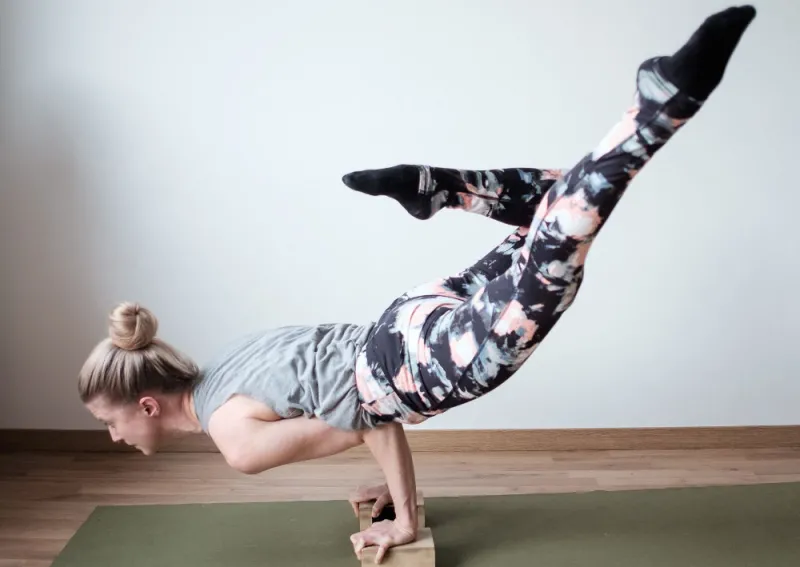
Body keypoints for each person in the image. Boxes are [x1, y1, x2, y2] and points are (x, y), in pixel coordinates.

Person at [78, 5, 756, 564]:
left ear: (144, 404)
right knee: (540, 222)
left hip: (420, 365)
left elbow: (371, 414)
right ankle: (447, 191)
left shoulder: (237, 443)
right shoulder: (227, 364)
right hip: (400, 322)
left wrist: (405, 522)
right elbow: (352, 400)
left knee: (556, 249)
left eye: (108, 423)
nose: (112, 438)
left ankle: (660, 106)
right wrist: (396, 494)